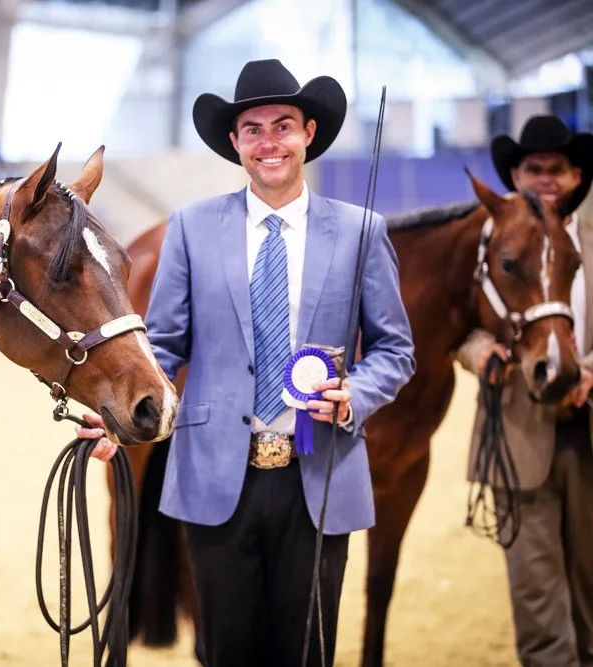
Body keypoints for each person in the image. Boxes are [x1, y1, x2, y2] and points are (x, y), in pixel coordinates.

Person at [79, 59, 415, 666]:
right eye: (253, 129)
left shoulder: (363, 232)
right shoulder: (190, 228)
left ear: (308, 132)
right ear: (235, 142)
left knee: (309, 654)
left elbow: (396, 350)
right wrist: (120, 416)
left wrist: (357, 394)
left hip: (320, 479)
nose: (269, 142)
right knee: (226, 653)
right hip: (215, 479)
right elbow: (165, 347)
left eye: (282, 126)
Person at [456, 115, 593, 667]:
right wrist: (475, 352)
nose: (544, 179)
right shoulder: (487, 242)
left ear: (575, 174)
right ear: (514, 173)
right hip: (519, 435)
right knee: (536, 602)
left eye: (555, 170)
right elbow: (460, 323)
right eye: (532, 169)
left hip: (587, 435)